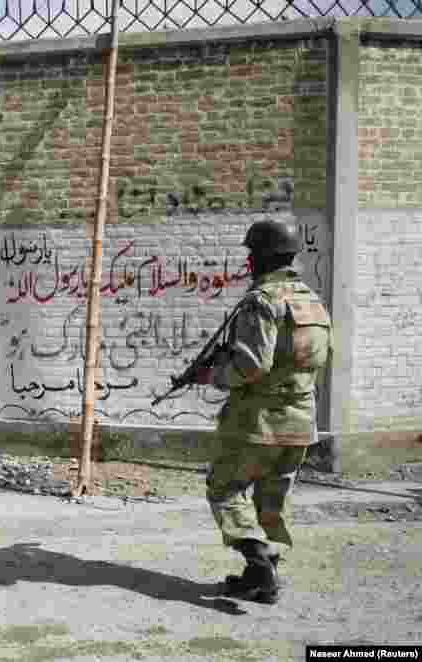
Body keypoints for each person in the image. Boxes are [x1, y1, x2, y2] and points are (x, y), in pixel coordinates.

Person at [196, 219, 332, 604]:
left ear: (262, 258)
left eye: (251, 254)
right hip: (301, 420)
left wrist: (213, 375)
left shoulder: (263, 301)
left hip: (258, 422)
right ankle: (261, 578)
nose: (249, 262)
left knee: (224, 487)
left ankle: (258, 558)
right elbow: (320, 359)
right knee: (272, 502)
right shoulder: (313, 302)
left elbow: (251, 366)